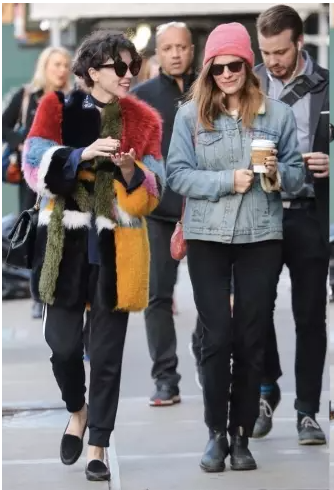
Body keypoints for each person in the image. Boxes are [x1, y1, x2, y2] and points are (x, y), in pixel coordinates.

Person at [23, 30, 164, 481]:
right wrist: (81, 154)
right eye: (118, 67)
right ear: (91, 70)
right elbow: (33, 166)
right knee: (62, 345)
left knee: (106, 355)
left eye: (132, 66)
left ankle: (98, 443)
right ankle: (77, 410)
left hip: (116, 248)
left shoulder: (143, 119)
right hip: (63, 245)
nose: (128, 75)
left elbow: (153, 192)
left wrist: (131, 171)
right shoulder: (58, 108)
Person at [166, 22, 305, 472]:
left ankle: (241, 434)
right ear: (208, 70)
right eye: (218, 67)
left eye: (235, 66)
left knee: (250, 336)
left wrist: (277, 174)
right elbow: (177, 174)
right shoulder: (190, 116)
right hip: (206, 235)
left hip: (260, 235)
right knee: (216, 337)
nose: (226, 74)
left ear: (248, 65)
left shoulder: (277, 115)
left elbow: (299, 177)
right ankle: (215, 433)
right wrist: (227, 180)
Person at [250, 3, 330, 446]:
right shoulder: (248, 82)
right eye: (266, 52)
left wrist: (332, 159)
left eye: (280, 51)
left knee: (310, 317)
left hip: (308, 213)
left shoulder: (327, 85)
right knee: (255, 308)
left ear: (300, 42)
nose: (273, 61)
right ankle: (266, 388)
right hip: (260, 212)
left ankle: (307, 412)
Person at [132, 21, 199, 406]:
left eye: (182, 47)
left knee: (215, 296)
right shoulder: (141, 97)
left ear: (192, 50)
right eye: (168, 48)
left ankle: (206, 355)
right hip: (158, 213)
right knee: (157, 297)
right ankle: (165, 378)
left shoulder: (211, 88)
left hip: (206, 207)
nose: (175, 54)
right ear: (157, 53)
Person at [2, 46, 72, 319]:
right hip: (31, 178)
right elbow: (4, 125)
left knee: (63, 234)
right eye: (56, 64)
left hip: (64, 174)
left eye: (65, 64)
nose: (62, 70)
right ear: (45, 67)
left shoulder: (74, 98)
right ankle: (38, 295)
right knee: (35, 235)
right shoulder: (27, 96)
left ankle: (61, 290)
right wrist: (22, 144)